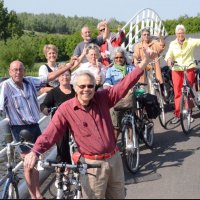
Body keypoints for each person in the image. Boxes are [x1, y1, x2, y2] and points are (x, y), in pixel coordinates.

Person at [23, 48, 157, 199]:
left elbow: (124, 84)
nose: (86, 89)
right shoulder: (66, 109)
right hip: (92, 166)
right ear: (74, 88)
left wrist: (145, 61)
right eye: (82, 86)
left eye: (90, 86)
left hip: (114, 160)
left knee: (118, 196)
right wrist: (35, 152)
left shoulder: (103, 98)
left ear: (94, 87)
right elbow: (50, 133)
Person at [0, 57, 78, 199]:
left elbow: (50, 76)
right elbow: (0, 108)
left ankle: (37, 193)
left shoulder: (29, 81)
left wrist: (69, 66)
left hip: (35, 126)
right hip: (20, 129)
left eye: (20, 69)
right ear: (9, 72)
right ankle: (33, 194)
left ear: (24, 71)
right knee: (28, 164)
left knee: (35, 161)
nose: (18, 72)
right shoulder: (5, 86)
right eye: (15, 70)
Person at [165, 24, 200, 124]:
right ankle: (177, 114)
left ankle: (189, 113)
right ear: (176, 34)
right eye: (178, 33)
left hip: (189, 69)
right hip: (177, 69)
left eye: (182, 33)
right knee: (177, 92)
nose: (180, 35)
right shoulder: (173, 44)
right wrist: (169, 61)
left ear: (185, 33)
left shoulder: (190, 42)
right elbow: (169, 55)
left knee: (188, 92)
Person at [40, 67, 75, 164]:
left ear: (70, 76)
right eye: (62, 75)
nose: (65, 77)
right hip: (60, 125)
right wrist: (46, 110)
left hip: (75, 123)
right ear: (58, 78)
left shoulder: (76, 90)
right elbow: (44, 104)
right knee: (62, 151)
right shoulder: (53, 92)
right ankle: (62, 173)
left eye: (67, 75)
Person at [103, 47, 135, 145]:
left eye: (120, 57)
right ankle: (113, 145)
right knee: (115, 123)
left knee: (130, 118)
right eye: (116, 58)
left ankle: (130, 141)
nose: (118, 59)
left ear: (124, 58)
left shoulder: (130, 68)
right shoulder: (110, 70)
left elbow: (135, 79)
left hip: (129, 96)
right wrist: (106, 87)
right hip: (116, 97)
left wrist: (132, 88)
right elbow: (107, 82)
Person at [133, 28, 165, 93]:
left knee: (154, 87)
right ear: (141, 36)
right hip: (144, 68)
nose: (146, 36)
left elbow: (162, 46)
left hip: (154, 67)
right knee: (144, 87)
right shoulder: (138, 46)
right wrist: (135, 60)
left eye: (148, 34)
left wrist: (160, 36)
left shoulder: (154, 43)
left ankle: (157, 99)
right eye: (144, 35)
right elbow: (135, 55)